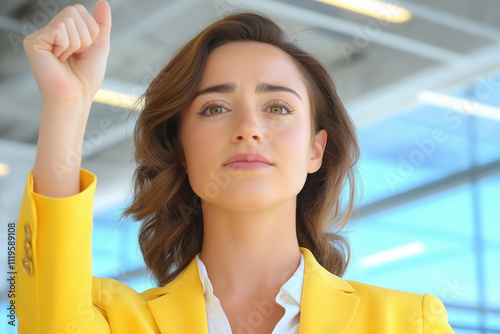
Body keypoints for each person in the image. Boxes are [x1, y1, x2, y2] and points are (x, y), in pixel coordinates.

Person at [14, 1, 454, 333]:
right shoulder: (120, 319)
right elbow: (42, 315)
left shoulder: (409, 321)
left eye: (278, 107)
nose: (248, 128)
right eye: (214, 108)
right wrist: (67, 105)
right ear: (182, 151)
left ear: (315, 151)